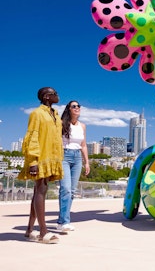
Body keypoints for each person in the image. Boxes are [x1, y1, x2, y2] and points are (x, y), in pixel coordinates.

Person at [18, 87, 63, 244]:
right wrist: (33, 161)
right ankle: (43, 231)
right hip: (40, 158)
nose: (57, 95)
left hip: (52, 158)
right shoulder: (37, 114)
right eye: (54, 93)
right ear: (46, 97)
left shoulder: (55, 115)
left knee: (39, 190)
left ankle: (29, 229)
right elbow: (32, 135)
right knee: (41, 190)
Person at [57, 100, 90, 232]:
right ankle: (64, 221)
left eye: (78, 106)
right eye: (74, 106)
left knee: (72, 191)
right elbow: (57, 141)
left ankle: (62, 221)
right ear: (69, 109)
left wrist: (86, 161)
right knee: (65, 188)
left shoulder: (82, 126)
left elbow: (83, 145)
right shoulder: (61, 123)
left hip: (77, 158)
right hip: (64, 156)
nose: (77, 108)